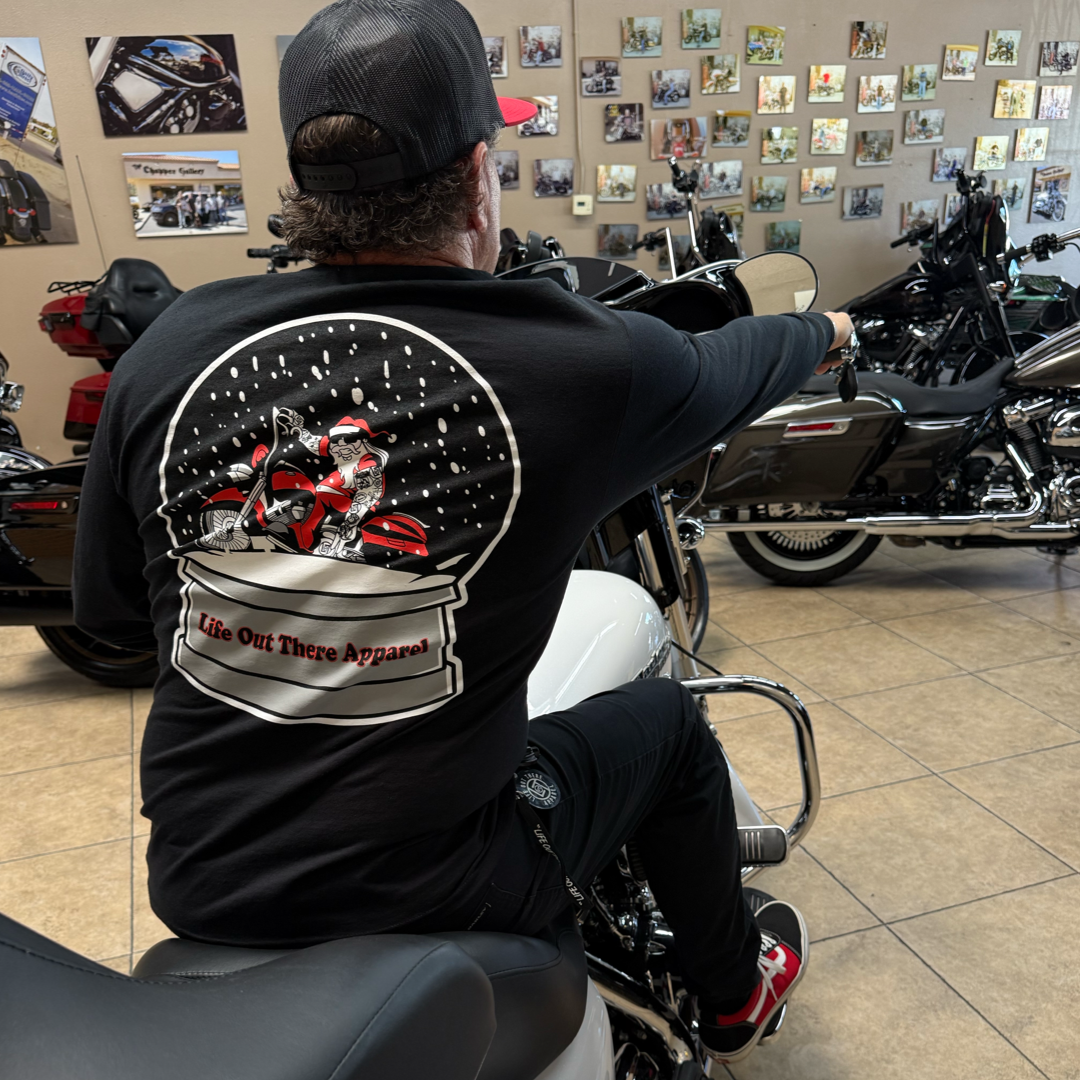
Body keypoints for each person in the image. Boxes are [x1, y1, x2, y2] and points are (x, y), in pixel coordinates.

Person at [73, 0, 852, 1066]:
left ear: (306, 188)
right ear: (481, 174)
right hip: (437, 882)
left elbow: (117, 617)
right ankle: (732, 995)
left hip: (204, 877)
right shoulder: (578, 363)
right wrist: (830, 327)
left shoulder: (172, 349)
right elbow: (742, 361)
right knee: (666, 729)